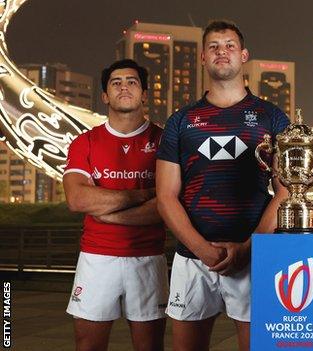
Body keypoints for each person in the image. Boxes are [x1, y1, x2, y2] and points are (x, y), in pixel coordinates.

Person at [156, 20, 289, 351]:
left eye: (229, 45)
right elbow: (165, 196)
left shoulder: (273, 118)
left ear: (243, 55)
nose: (222, 51)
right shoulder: (181, 121)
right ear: (202, 57)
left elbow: (286, 190)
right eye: (214, 46)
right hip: (192, 258)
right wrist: (202, 249)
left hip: (255, 256)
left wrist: (248, 248)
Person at [64, 59, 167, 351]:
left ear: (145, 94)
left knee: (150, 346)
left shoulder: (165, 141)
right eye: (116, 82)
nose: (124, 86)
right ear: (106, 95)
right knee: (88, 346)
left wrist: (108, 213)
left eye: (132, 81)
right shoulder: (85, 142)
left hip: (148, 257)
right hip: (96, 258)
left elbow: (166, 204)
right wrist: (140, 195)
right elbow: (77, 199)